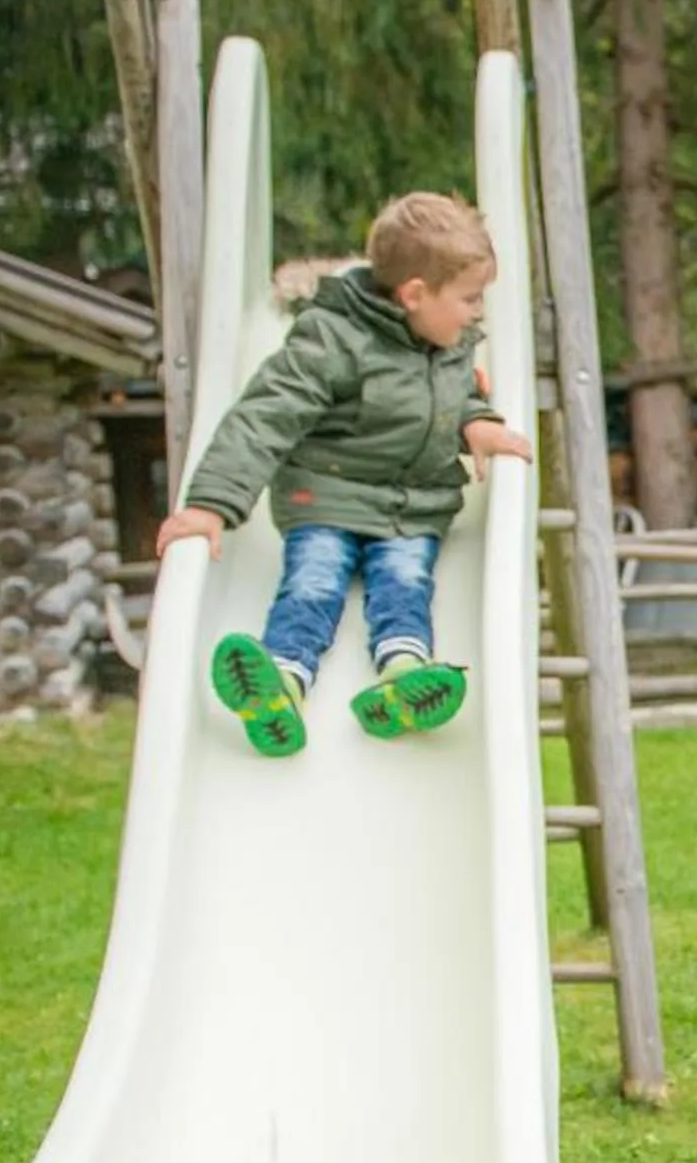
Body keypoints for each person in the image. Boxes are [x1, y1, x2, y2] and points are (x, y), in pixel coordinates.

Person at [154, 192, 536, 758]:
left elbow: (450, 400)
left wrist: (476, 423)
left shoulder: (449, 345)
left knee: (406, 583)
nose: (478, 312)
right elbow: (265, 418)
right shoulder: (329, 340)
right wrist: (210, 504)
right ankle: (281, 680)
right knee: (314, 579)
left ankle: (404, 676)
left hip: (411, 509)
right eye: (470, 298)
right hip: (326, 499)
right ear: (414, 295)